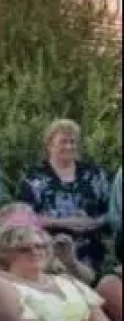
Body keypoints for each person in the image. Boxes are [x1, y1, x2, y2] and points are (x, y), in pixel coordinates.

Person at [17, 118, 113, 277]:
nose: (69, 146)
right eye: (62, 142)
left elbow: (111, 211)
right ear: (49, 145)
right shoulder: (34, 177)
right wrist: (65, 222)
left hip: (92, 255)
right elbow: (24, 218)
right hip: (49, 253)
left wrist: (92, 223)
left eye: (72, 141)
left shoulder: (95, 174)